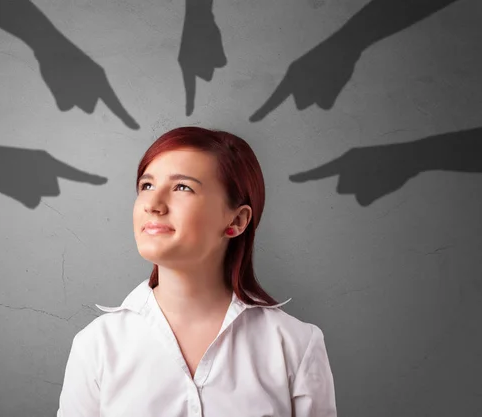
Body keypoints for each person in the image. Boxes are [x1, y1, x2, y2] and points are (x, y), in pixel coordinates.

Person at [56, 126, 337, 417]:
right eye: (146, 186)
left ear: (237, 220)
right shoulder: (97, 345)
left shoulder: (295, 345)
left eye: (182, 187)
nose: (152, 204)